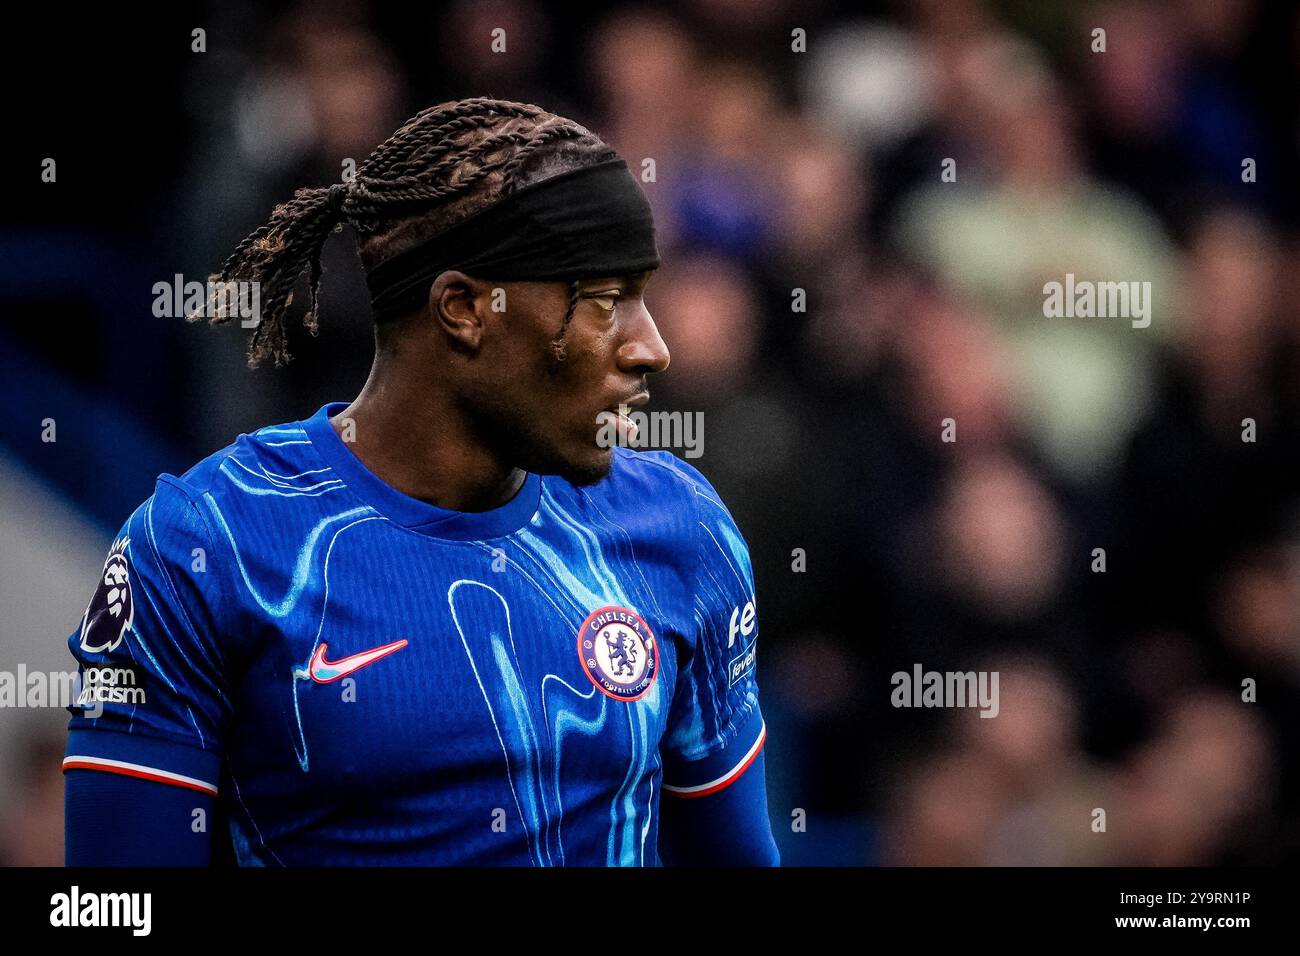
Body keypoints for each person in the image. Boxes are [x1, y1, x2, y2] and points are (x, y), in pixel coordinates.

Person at [62, 97, 778, 866]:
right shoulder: (207, 547)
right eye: (606, 302)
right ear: (465, 310)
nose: (652, 348)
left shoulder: (679, 529)